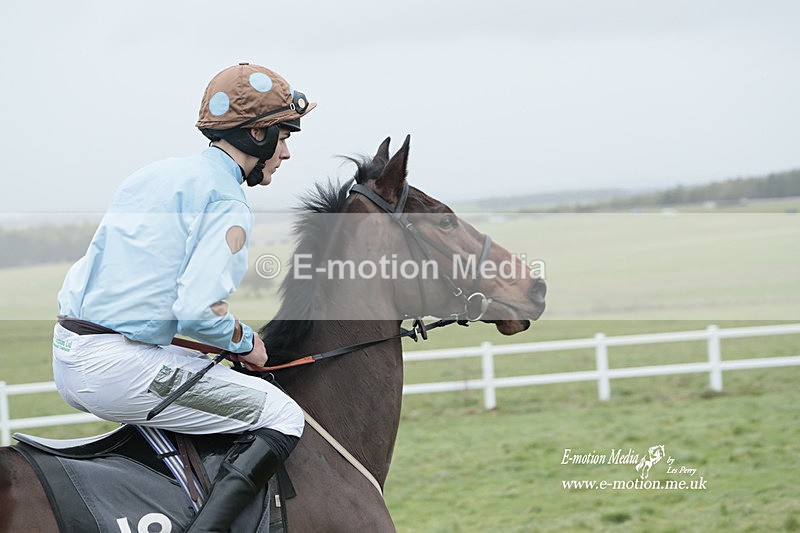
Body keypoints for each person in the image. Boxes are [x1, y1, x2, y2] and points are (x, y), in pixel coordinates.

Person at [53, 62, 315, 532]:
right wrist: (245, 342)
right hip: (118, 368)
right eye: (285, 135)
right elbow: (198, 311)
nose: (288, 152)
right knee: (281, 413)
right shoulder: (227, 201)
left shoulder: (156, 175)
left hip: (72, 350)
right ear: (257, 134)